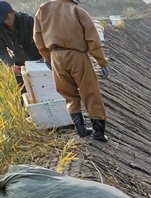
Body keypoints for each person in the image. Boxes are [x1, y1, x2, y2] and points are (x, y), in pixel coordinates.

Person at [33, 0, 109, 141]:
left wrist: (47, 56)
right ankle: (98, 132)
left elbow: (37, 36)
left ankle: (80, 129)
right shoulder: (77, 11)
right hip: (77, 55)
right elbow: (93, 40)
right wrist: (102, 62)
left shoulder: (42, 10)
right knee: (90, 92)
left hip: (56, 56)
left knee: (68, 95)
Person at [0, 1, 42, 91]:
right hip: (20, 63)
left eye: (6, 18)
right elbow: (1, 52)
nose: (5, 22)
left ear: (12, 12)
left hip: (39, 58)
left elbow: (43, 39)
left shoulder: (28, 20)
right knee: (23, 90)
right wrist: (11, 65)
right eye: (1, 20)